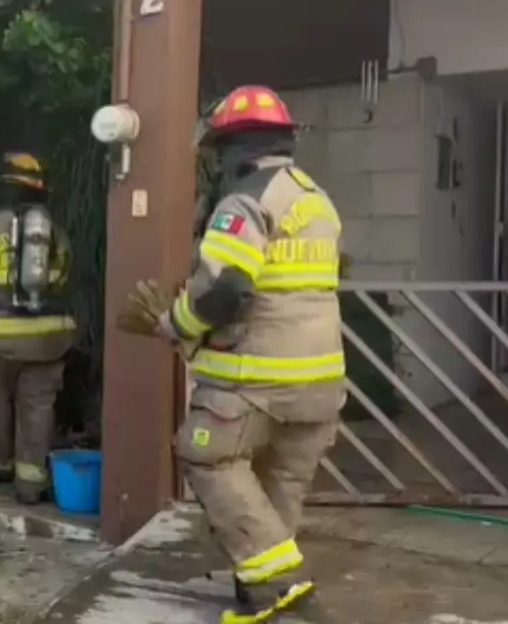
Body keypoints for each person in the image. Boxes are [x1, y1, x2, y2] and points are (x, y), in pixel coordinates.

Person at [149, 85, 345, 623]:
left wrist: (176, 324)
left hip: (255, 379)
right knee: (280, 480)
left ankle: (280, 587)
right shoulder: (316, 199)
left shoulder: (245, 201)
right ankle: (259, 589)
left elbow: (225, 289)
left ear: (233, 149)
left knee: (205, 455)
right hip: (321, 383)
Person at [0, 152, 76, 505]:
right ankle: (31, 482)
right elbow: (63, 279)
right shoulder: (55, 233)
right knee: (38, 408)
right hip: (49, 339)